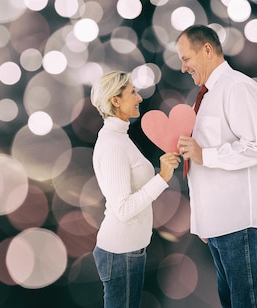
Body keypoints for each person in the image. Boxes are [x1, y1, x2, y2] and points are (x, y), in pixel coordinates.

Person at [175, 25, 257, 308]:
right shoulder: (207, 95)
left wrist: (204, 155)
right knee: (232, 301)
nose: (183, 67)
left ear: (207, 50)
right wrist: (204, 218)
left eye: (186, 58)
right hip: (218, 222)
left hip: (236, 221)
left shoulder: (237, 87)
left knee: (246, 302)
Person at [90, 70, 180, 308]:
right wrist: (162, 177)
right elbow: (123, 209)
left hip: (129, 251)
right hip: (120, 254)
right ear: (115, 100)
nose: (139, 98)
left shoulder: (120, 137)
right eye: (133, 92)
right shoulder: (112, 144)